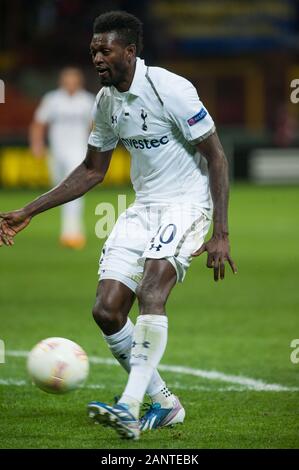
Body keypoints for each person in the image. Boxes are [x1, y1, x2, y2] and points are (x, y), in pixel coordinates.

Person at [0, 11, 237, 440]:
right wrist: (31, 210)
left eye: (104, 50)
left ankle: (129, 404)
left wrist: (220, 233)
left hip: (186, 207)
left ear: (130, 51)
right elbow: (92, 170)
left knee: (151, 292)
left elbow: (217, 156)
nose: (96, 58)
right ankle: (165, 404)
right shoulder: (107, 100)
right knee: (107, 310)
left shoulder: (171, 89)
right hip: (144, 207)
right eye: (93, 50)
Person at [29, 67, 95, 249]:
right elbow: (39, 123)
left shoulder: (87, 101)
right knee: (58, 188)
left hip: (78, 151)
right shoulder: (52, 99)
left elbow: (95, 126)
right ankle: (69, 230)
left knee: (73, 189)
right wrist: (37, 144)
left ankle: (72, 232)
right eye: (67, 79)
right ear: (62, 81)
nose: (70, 83)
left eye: (74, 79)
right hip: (57, 152)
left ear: (79, 81)